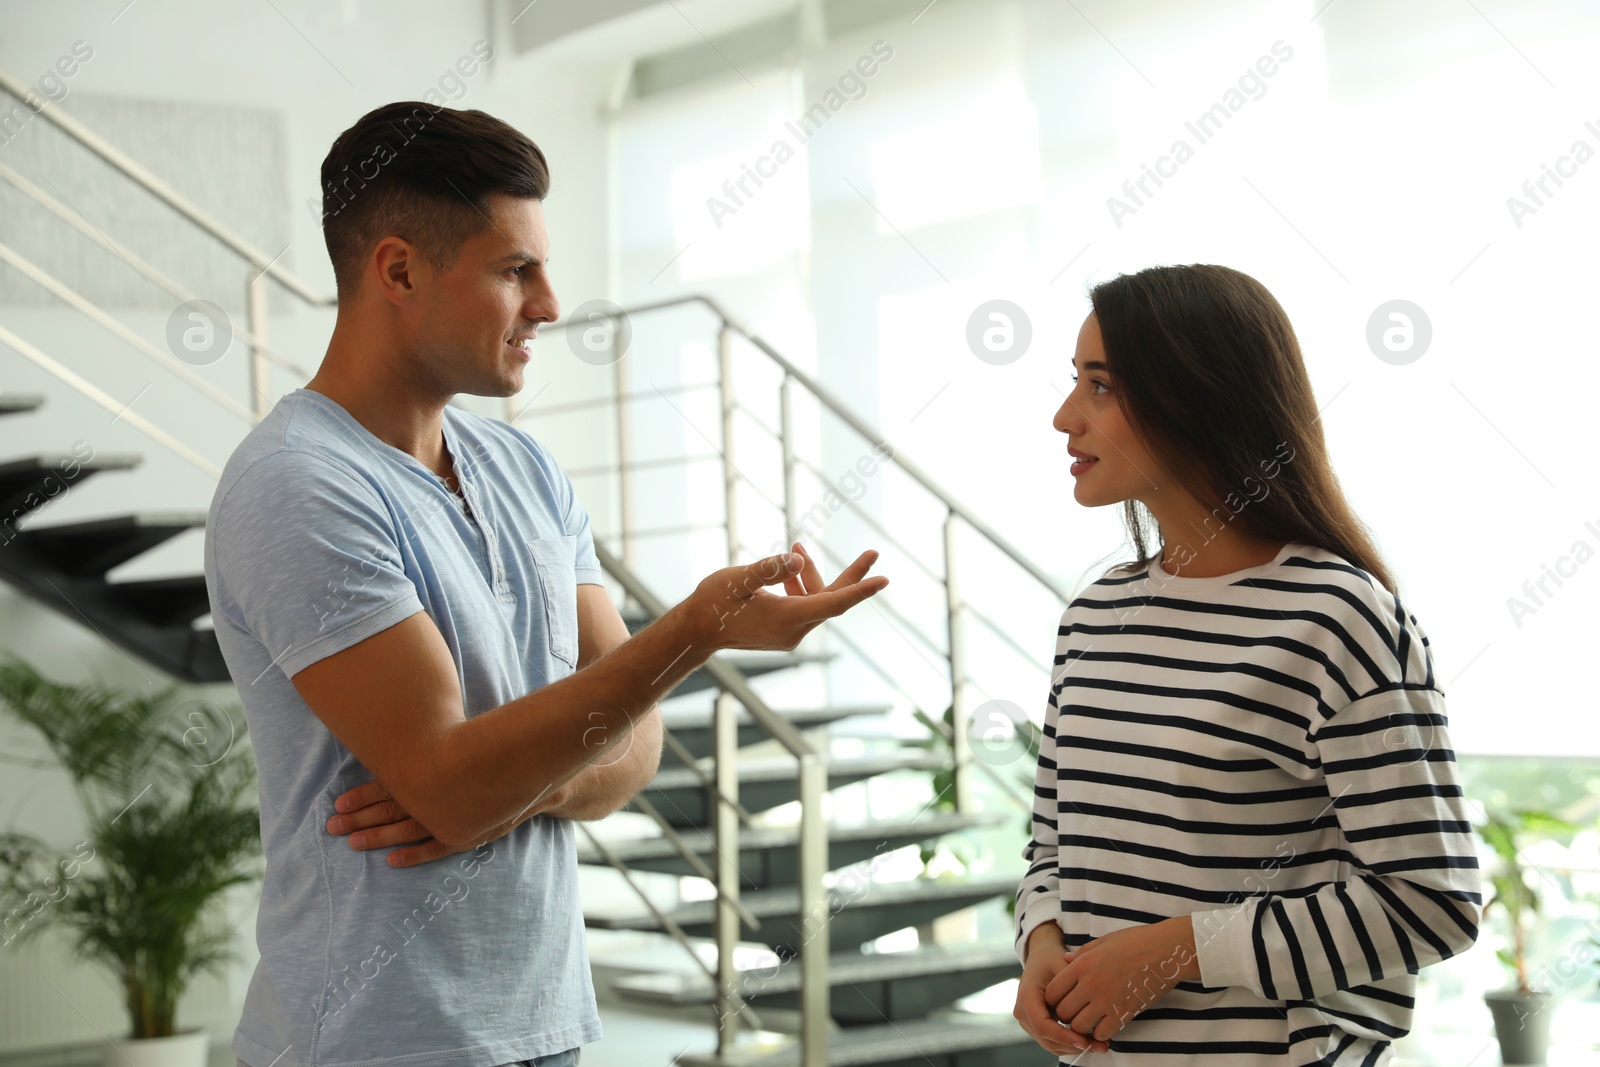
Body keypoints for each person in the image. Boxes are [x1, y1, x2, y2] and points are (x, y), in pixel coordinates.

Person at [203, 101, 887, 1067]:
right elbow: (456, 779)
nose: (551, 304)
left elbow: (633, 748)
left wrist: (506, 789)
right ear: (399, 269)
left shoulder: (527, 473)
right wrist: (691, 631)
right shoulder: (296, 484)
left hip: (544, 1026)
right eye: (514, 269)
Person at [1010, 264, 1481, 1064]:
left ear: (1194, 398)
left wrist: (1181, 949)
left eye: (1100, 386)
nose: (1064, 417)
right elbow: (1052, 844)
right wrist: (1040, 936)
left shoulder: (1337, 619)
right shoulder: (1092, 615)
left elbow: (1432, 901)